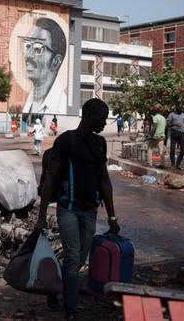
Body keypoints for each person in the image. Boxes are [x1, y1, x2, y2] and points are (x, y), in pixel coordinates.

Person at [35, 98, 120, 320]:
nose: (104, 123)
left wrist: (112, 216)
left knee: (79, 260)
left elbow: (105, 181)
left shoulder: (100, 143)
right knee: (73, 258)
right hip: (68, 209)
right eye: (102, 118)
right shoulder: (66, 141)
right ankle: (71, 310)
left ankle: (55, 290)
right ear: (89, 116)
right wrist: (41, 216)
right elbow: (51, 179)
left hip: (90, 210)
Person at [21, 17, 67, 116]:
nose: (28, 55)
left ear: (56, 61)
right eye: (28, 46)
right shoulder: (28, 102)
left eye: (38, 48)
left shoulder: (62, 107)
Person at [167, 104, 184, 171]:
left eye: (182, 109)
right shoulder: (171, 115)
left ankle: (178, 164)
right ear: (177, 108)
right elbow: (168, 124)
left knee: (183, 150)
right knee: (172, 149)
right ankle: (173, 165)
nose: (181, 110)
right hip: (174, 133)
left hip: (182, 133)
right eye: (180, 109)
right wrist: (174, 124)